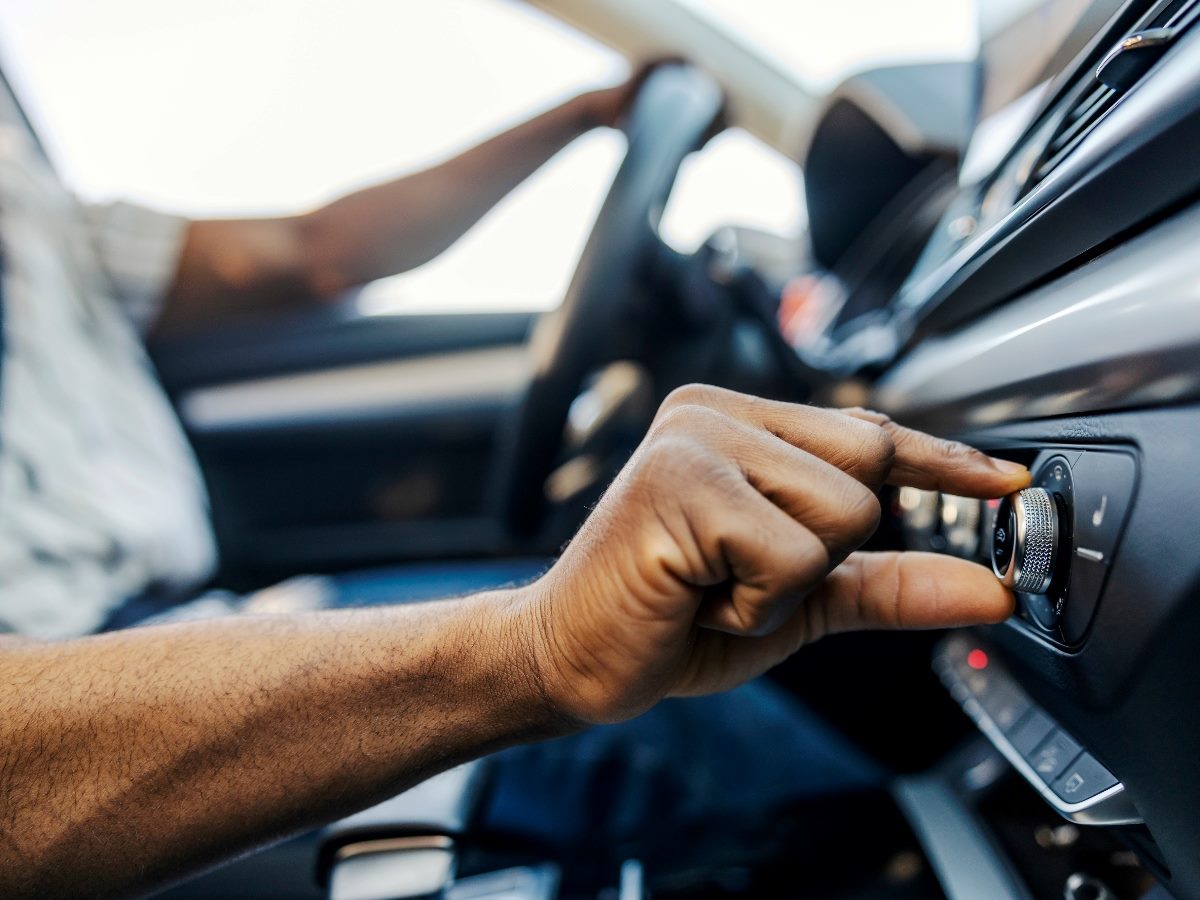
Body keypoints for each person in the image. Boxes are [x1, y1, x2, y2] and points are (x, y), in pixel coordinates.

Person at [0, 56, 1033, 898]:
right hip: (83, 691)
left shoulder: (24, 196)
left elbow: (309, 253)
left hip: (193, 615)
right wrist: (534, 653)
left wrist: (582, 115)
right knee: (669, 723)